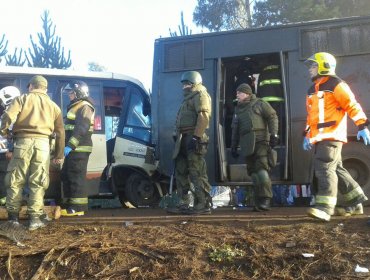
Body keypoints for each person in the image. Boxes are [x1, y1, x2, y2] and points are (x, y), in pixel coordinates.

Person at [303, 52, 369, 222]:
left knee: (324, 168)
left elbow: (351, 104)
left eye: (313, 66)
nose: (310, 69)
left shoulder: (336, 84)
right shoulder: (312, 90)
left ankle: (325, 208)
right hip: (319, 137)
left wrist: (362, 125)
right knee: (337, 169)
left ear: (324, 66)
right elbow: (311, 116)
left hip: (331, 135)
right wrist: (307, 135)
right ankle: (356, 203)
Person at [0, 75, 65, 230]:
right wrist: (59, 154)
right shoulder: (54, 106)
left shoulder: (21, 99)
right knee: (38, 181)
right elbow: (60, 132)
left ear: (30, 86)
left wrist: (4, 131)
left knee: (15, 179)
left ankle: (13, 219)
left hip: (22, 143)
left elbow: (8, 116)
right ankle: (34, 219)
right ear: (45, 88)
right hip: (43, 145)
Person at [168, 70, 212, 215]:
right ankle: (184, 203)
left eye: (187, 84)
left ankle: (203, 204)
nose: (184, 87)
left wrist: (196, 137)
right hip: (183, 138)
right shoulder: (187, 99)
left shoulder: (200, 95)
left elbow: (204, 116)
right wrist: (176, 134)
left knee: (197, 171)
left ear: (194, 83)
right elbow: (179, 120)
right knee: (181, 170)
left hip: (193, 137)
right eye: (183, 84)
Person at [231, 83, 279, 211]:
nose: (237, 95)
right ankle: (259, 200)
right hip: (247, 144)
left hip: (261, 141)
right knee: (253, 173)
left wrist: (274, 134)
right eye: (237, 93)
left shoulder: (259, 103)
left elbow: (272, 116)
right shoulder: (238, 109)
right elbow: (235, 130)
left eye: (239, 92)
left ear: (247, 93)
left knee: (261, 169)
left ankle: (266, 200)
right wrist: (234, 146)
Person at [60, 80, 95, 217]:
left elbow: (82, 127)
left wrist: (70, 145)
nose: (69, 95)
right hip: (74, 149)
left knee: (76, 177)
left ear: (79, 92)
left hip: (79, 149)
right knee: (67, 175)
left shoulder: (85, 106)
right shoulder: (75, 106)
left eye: (72, 92)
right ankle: (70, 205)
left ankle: (77, 207)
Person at [0, 86, 21, 206]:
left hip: (7, 151)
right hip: (4, 150)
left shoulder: (13, 113)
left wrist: (10, 149)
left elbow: (12, 133)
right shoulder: (8, 111)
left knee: (8, 175)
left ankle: (7, 200)